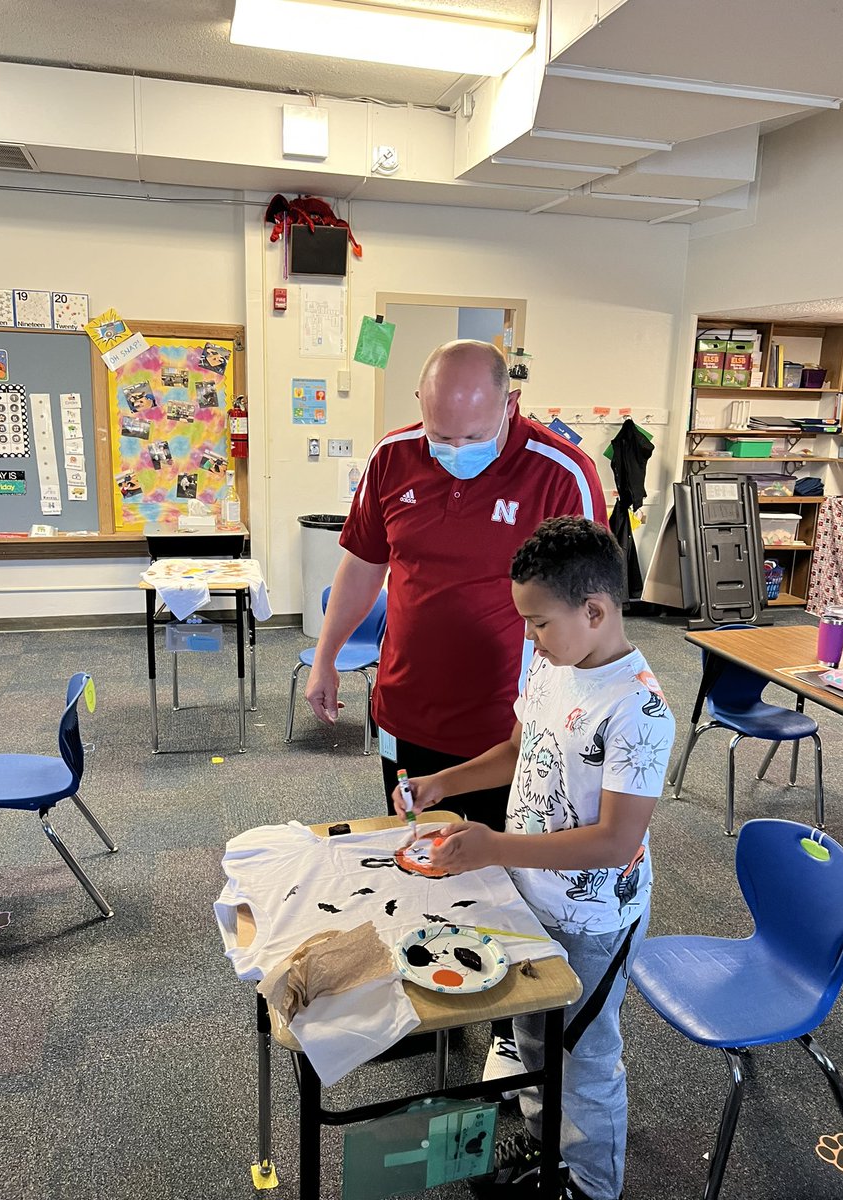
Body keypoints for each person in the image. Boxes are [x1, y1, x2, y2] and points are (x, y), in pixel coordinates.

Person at [305, 339, 606, 1081]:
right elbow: (364, 564)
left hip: (512, 731)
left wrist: (570, 718)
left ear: (510, 407)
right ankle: (424, 998)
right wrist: (324, 653)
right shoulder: (393, 459)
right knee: (417, 868)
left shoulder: (560, 473)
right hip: (409, 709)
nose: (452, 452)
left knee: (506, 888)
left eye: (471, 438)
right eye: (440, 434)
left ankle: (508, 1032)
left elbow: (595, 610)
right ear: (420, 406)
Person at [393, 517, 675, 1200]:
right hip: (530, 895)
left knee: (584, 1058)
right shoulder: (554, 667)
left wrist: (494, 846)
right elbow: (517, 753)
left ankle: (590, 1183)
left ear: (596, 611)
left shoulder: (638, 708)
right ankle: (544, 1138)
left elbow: (614, 842)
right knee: (532, 1034)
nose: (528, 637)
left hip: (592, 918)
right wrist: (443, 782)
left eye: (538, 622)